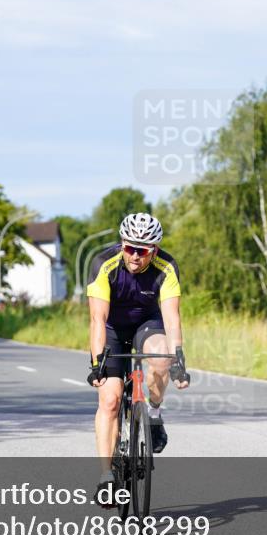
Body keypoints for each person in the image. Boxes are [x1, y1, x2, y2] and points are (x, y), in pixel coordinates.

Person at [85, 212, 190, 507]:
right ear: (122, 244)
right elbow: (97, 319)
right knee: (110, 400)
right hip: (111, 329)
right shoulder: (103, 263)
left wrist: (179, 359)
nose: (134, 256)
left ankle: (154, 416)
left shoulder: (166, 267)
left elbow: (172, 317)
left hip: (147, 323)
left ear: (153, 250)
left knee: (160, 359)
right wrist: (97, 366)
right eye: (129, 248)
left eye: (142, 251)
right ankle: (106, 477)